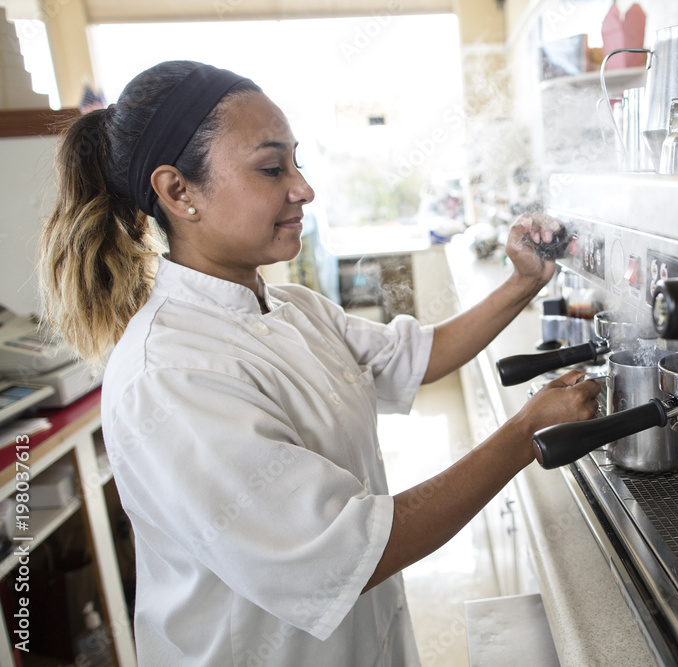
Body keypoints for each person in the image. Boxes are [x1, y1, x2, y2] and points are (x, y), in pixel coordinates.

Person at [37, 60, 600, 666]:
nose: (303, 188)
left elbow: (417, 355)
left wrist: (522, 282)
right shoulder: (170, 375)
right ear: (178, 192)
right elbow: (347, 554)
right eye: (272, 168)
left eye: (297, 163)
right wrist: (524, 433)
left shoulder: (289, 306)